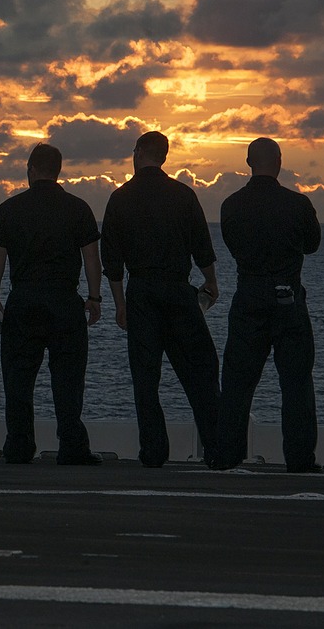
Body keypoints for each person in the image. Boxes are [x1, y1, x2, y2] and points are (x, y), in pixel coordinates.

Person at [100, 131, 220, 468]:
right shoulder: (183, 195)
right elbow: (202, 246)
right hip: (178, 290)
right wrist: (211, 282)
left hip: (141, 292)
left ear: (138, 153)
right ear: (164, 156)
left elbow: (112, 261)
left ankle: (153, 451)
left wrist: (120, 304)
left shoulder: (120, 198)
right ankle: (215, 448)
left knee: (145, 377)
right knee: (201, 371)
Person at [0, 143, 103, 465]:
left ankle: (19, 445)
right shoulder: (77, 208)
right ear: (58, 170)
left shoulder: (9, 209)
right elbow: (91, 256)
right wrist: (94, 297)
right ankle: (72, 447)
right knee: (68, 379)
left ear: (31, 169)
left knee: (18, 379)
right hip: (65, 300)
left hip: (23, 298)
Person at [214, 138, 321, 473]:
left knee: (236, 382)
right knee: (296, 382)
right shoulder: (298, 204)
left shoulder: (231, 205)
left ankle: (226, 453)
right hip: (288, 299)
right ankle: (300, 458)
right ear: (279, 161)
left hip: (249, 297)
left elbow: (232, 245)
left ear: (248, 162)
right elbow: (313, 245)